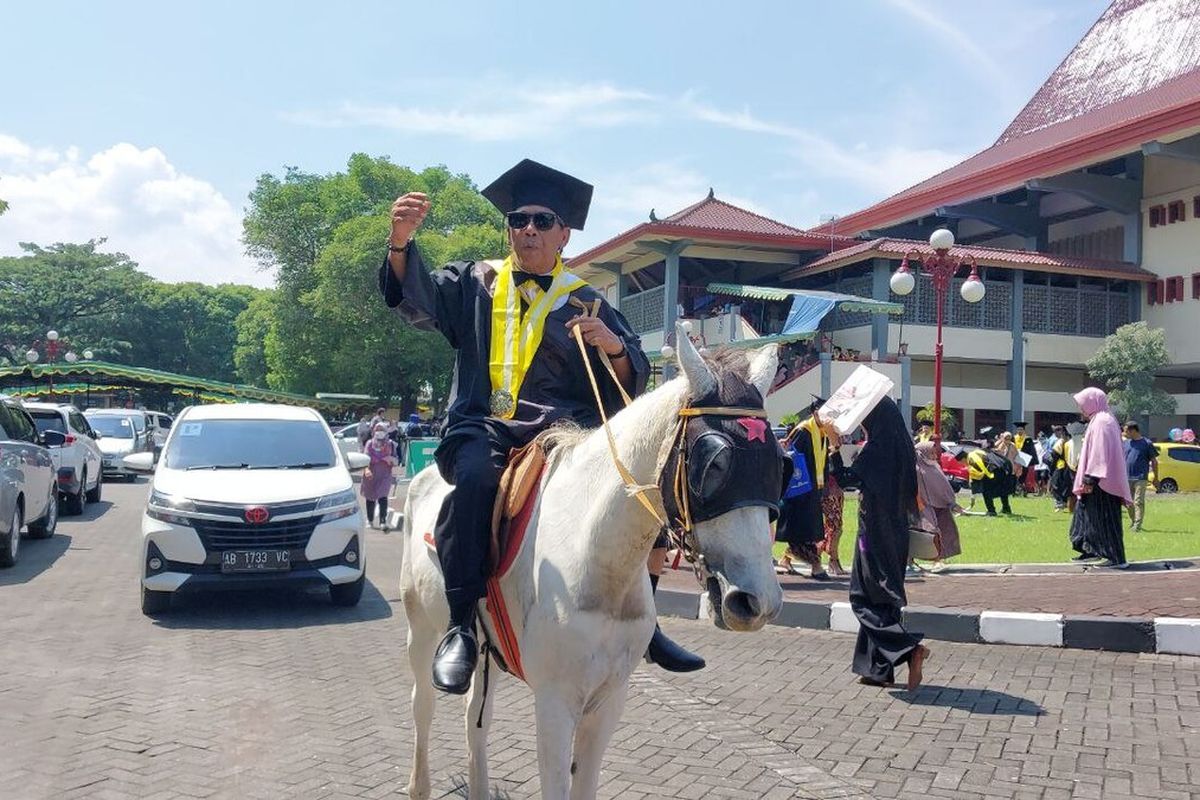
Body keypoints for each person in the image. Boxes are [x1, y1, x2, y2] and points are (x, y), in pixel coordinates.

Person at [379, 158, 700, 694]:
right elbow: (416, 297)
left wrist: (613, 345)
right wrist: (400, 241)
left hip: (559, 434)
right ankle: (461, 624)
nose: (528, 229)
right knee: (477, 483)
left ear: (563, 232)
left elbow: (631, 378)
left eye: (542, 220)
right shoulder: (475, 281)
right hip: (482, 424)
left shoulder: (586, 299)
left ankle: (647, 618)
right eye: (518, 218)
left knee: (637, 491)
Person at [848, 397, 930, 690]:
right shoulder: (901, 448)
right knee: (885, 598)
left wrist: (834, 448)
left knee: (861, 598)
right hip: (895, 533)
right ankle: (877, 669)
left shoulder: (876, 450)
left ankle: (909, 648)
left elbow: (845, 478)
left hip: (873, 534)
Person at [1069, 389, 1132, 568]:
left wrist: (1090, 479)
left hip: (1102, 482)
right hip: (1099, 479)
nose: (1080, 408)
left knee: (1105, 519)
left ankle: (1116, 558)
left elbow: (1100, 452)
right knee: (1086, 518)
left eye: (1082, 404)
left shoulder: (1102, 422)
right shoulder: (1100, 419)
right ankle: (1091, 551)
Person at [777, 400, 833, 580]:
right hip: (800, 489)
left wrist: (823, 485)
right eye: (822, 411)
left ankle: (785, 560)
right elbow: (794, 459)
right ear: (814, 412)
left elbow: (823, 461)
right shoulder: (803, 431)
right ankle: (816, 565)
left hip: (813, 489)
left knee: (806, 528)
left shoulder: (822, 432)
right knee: (804, 529)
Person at [915, 440, 962, 571]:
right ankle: (912, 560)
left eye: (934, 452)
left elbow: (943, 486)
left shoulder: (934, 466)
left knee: (945, 531)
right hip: (923, 506)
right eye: (931, 452)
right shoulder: (916, 468)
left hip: (941, 505)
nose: (934, 455)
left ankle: (939, 559)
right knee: (928, 532)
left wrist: (951, 502)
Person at [820, 440, 853, 577]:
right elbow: (834, 470)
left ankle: (834, 560)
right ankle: (833, 561)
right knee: (834, 528)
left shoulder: (833, 452)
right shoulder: (825, 451)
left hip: (836, 492)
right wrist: (834, 453)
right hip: (829, 492)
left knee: (835, 527)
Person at [1122, 421, 1158, 533]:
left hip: (1140, 477)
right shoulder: (1126, 443)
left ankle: (1137, 524)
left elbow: (1154, 461)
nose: (1124, 433)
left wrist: (1156, 477)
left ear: (1133, 431)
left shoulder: (1146, 443)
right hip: (1127, 477)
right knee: (1128, 502)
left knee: (1138, 501)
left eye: (1126, 430)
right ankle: (1133, 521)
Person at [362, 422, 398, 530]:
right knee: (370, 497)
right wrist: (366, 469)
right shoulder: (369, 443)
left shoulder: (391, 444)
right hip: (371, 474)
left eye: (382, 429)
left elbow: (397, 460)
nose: (379, 432)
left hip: (385, 474)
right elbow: (364, 459)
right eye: (377, 429)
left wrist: (391, 459)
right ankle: (370, 520)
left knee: (383, 497)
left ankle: (383, 521)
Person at [1048, 426, 1074, 511]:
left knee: (1056, 484)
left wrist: (1051, 469)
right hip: (1070, 465)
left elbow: (1055, 456)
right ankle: (1065, 502)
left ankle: (1060, 502)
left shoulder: (1061, 442)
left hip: (1061, 465)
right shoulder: (1072, 442)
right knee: (1066, 485)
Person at [1013, 422, 1039, 495]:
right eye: (1018, 429)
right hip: (1015, 460)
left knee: (1024, 474)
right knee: (1014, 474)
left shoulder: (1028, 439)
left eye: (1021, 429)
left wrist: (1032, 461)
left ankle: (1021, 487)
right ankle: (1015, 489)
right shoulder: (1013, 438)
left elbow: (1031, 450)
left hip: (1024, 460)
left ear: (1024, 430)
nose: (1019, 431)